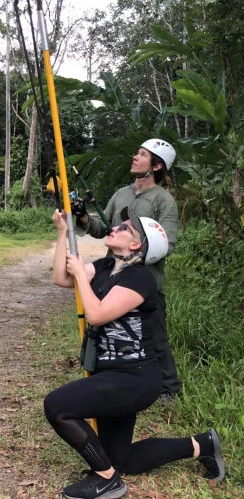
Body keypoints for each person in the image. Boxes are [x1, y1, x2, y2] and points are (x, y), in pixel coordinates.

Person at [45, 208, 225, 499]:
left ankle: (106, 479)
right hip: (113, 375)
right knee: (121, 459)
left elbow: (97, 315)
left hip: (135, 379)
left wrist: (80, 272)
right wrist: (64, 232)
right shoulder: (105, 267)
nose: (114, 227)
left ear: (136, 246)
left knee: (57, 406)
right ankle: (202, 444)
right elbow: (62, 279)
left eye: (125, 228)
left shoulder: (140, 279)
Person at [73, 138, 180, 401]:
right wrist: (84, 216)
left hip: (146, 281)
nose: (135, 157)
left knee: (155, 335)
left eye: (142, 154)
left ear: (155, 166)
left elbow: (168, 242)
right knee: (108, 329)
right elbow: (103, 229)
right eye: (137, 152)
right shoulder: (121, 194)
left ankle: (169, 388)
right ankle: (109, 375)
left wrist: (134, 258)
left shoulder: (163, 200)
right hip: (112, 277)